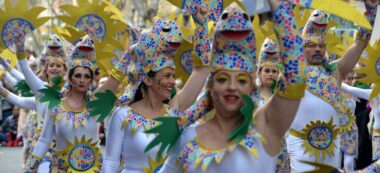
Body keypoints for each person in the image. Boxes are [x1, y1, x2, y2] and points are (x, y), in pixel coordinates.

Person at [154, 2, 306, 172]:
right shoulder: (189, 135)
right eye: (223, 79)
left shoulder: (266, 126)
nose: (232, 87)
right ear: (211, 85)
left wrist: (279, 6)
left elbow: (295, 76)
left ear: (252, 85)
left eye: (241, 80)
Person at [101, 6, 210, 172]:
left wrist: (201, 26)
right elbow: (110, 163)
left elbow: (201, 70)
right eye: (167, 76)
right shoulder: (123, 115)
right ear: (147, 79)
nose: (172, 82)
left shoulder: (174, 110)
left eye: (174, 76)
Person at [274, 0, 377, 171]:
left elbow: (360, 43)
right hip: (300, 152)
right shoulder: (291, 74)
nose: (317, 49)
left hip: (331, 153)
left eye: (321, 46)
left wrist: (372, 11)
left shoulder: (336, 71)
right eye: (311, 45)